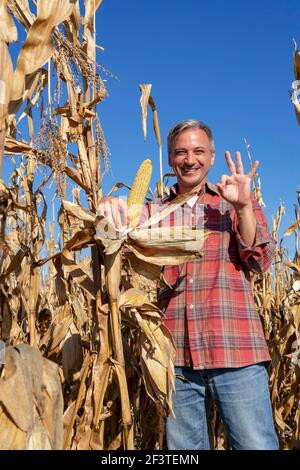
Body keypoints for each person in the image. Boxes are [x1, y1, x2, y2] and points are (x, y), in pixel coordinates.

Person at [98, 119, 279, 450]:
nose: (190, 159)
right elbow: (114, 234)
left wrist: (242, 207)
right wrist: (110, 208)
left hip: (235, 350)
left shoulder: (233, 202)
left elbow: (260, 261)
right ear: (170, 159)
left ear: (211, 157)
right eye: (181, 152)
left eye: (198, 151)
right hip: (175, 358)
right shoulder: (154, 212)